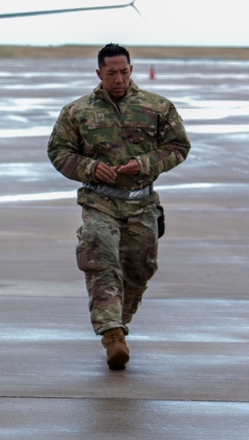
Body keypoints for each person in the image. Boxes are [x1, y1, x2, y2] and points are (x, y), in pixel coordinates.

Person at [47, 43, 190, 371]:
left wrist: (143, 164)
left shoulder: (157, 107)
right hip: (100, 202)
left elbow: (178, 146)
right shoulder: (77, 112)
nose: (119, 79)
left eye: (124, 72)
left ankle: (119, 323)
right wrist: (90, 169)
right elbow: (59, 152)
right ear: (99, 74)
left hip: (142, 204)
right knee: (102, 261)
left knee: (139, 268)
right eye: (111, 73)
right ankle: (111, 334)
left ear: (131, 70)